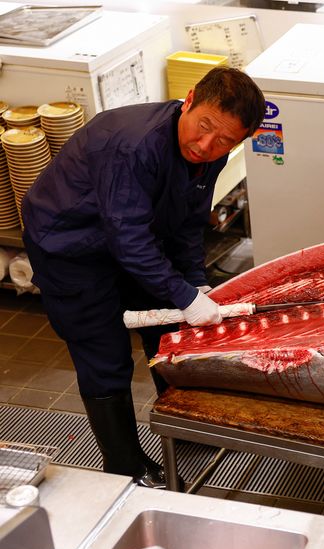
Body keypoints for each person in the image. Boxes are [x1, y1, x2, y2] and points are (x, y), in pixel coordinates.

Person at [21, 67, 265, 488]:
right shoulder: (132, 145)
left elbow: (188, 221)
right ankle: (124, 465)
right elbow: (128, 237)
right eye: (203, 126)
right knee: (105, 353)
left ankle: (182, 423)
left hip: (132, 242)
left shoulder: (210, 152)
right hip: (71, 247)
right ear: (188, 101)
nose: (206, 145)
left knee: (171, 330)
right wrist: (184, 296)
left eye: (224, 140)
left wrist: (194, 281)